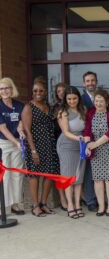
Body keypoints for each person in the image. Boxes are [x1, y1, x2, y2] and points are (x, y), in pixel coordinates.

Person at [22, 76, 60, 217]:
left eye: (41, 90)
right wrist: (33, 150)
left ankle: (44, 203)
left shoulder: (49, 107)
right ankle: (35, 205)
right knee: (35, 175)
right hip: (35, 145)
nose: (38, 93)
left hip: (50, 144)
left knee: (49, 174)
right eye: (35, 90)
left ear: (45, 92)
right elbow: (27, 130)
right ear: (32, 92)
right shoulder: (29, 107)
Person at [84, 89, 109, 217]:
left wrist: (94, 144)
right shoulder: (91, 113)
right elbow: (87, 131)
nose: (98, 103)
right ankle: (101, 206)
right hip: (95, 153)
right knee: (98, 180)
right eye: (96, 101)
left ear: (106, 102)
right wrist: (87, 145)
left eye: (101, 101)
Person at [57, 86, 87, 219]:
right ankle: (70, 205)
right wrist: (79, 138)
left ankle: (78, 204)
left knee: (79, 177)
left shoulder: (84, 110)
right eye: (69, 99)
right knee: (68, 177)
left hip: (81, 145)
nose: (72, 101)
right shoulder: (63, 112)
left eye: (74, 98)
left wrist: (85, 141)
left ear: (78, 98)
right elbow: (66, 132)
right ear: (65, 99)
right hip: (67, 145)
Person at [0, 77, 25, 215]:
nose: (4, 91)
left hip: (17, 143)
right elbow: (3, 128)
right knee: (5, 175)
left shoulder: (19, 105)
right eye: (1, 88)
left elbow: (20, 123)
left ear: (12, 88)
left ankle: (16, 204)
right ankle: (4, 206)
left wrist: (21, 133)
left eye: (7, 88)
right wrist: (16, 143)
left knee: (17, 174)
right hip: (3, 143)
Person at [81, 71, 98, 211]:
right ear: (84, 83)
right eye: (88, 81)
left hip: (101, 139)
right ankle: (90, 200)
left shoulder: (101, 97)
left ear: (96, 82)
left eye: (92, 80)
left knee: (99, 170)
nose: (90, 83)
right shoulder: (80, 99)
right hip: (86, 138)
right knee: (88, 172)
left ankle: (100, 198)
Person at [52, 82, 68, 211]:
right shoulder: (54, 108)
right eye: (59, 91)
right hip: (59, 142)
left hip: (73, 143)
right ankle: (63, 198)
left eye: (63, 90)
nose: (61, 93)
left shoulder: (73, 104)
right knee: (60, 171)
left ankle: (76, 196)